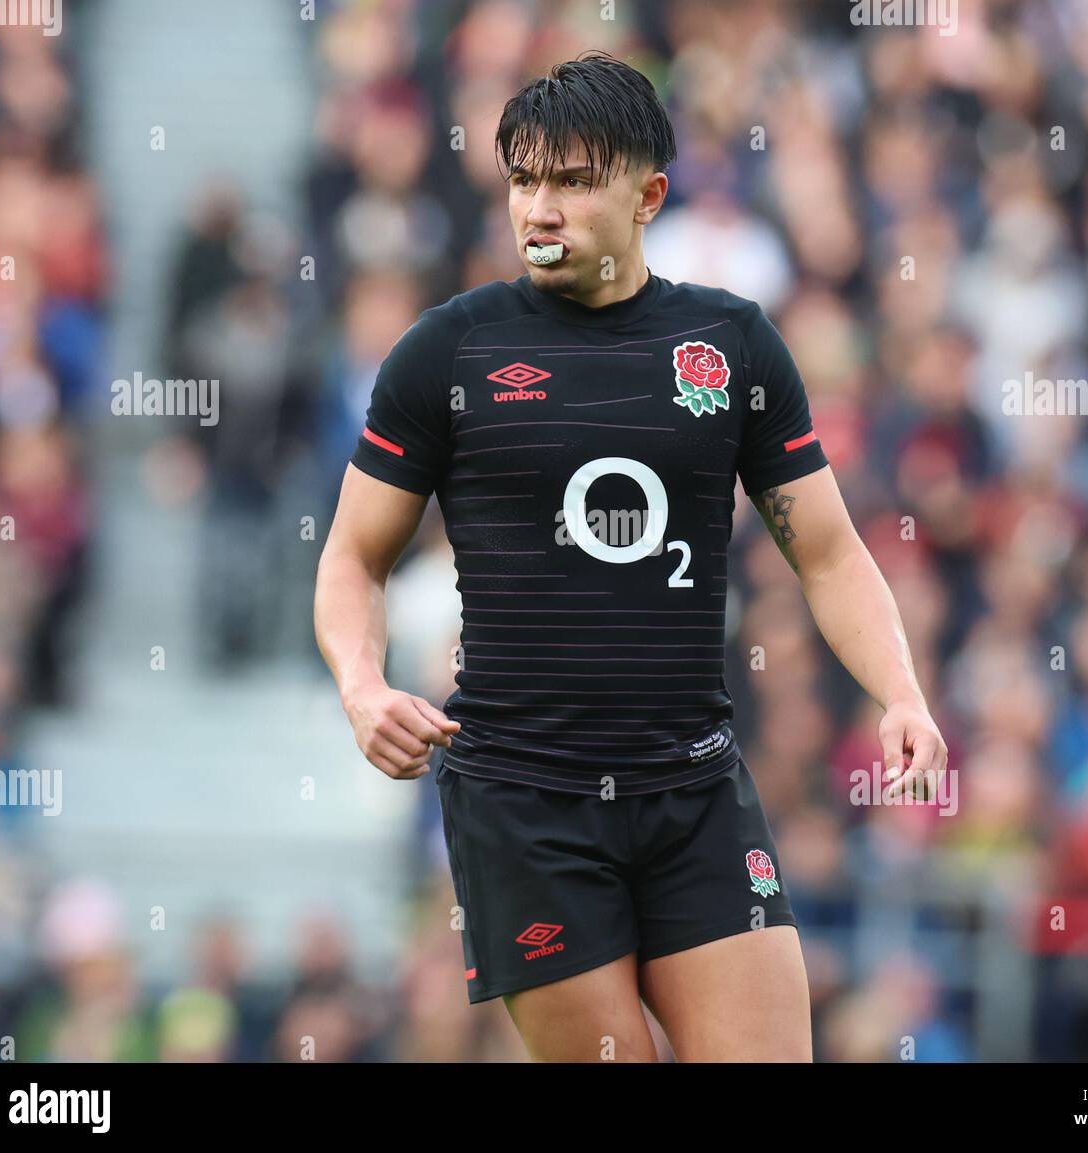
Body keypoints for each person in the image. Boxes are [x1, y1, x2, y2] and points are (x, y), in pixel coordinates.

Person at [314, 51, 948, 1062]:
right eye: (524, 178)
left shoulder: (730, 345)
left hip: (693, 791)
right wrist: (359, 684)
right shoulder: (446, 354)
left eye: (572, 180)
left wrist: (901, 694)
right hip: (524, 806)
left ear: (648, 194)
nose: (541, 206)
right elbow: (353, 557)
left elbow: (825, 552)